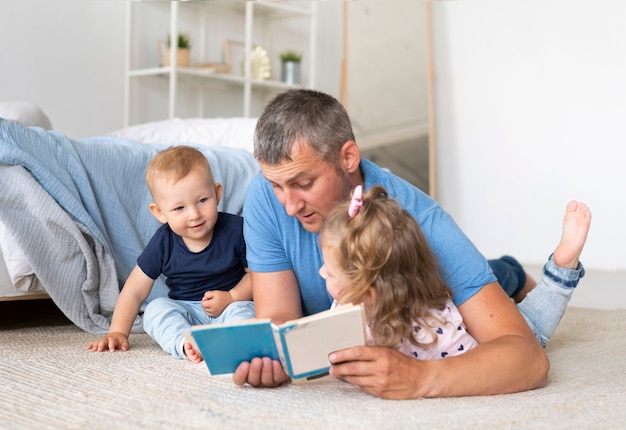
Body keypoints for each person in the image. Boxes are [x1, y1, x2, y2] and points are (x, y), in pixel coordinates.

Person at [235, 88, 580, 399]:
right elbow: (279, 315)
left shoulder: (424, 223)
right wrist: (273, 356)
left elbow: (529, 359)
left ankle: (509, 273)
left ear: (349, 157)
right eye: (277, 186)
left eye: (304, 183)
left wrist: (419, 376)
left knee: (488, 288)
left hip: (436, 289)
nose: (289, 205)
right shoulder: (265, 197)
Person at [318, 185, 590, 364]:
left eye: (330, 273)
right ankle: (509, 269)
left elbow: (490, 364)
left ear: (369, 292)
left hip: (483, 323)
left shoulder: (435, 334)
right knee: (495, 270)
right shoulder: (347, 305)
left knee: (534, 332)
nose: (320, 273)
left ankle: (561, 266)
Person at [87, 146, 255, 363]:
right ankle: (185, 342)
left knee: (245, 311)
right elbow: (134, 291)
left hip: (230, 305)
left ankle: (237, 341)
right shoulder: (163, 242)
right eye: (179, 208)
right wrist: (117, 332)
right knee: (156, 309)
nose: (194, 215)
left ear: (217, 193)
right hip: (186, 311)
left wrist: (232, 296)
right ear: (160, 213)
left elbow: (258, 275)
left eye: (202, 200)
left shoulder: (236, 230)